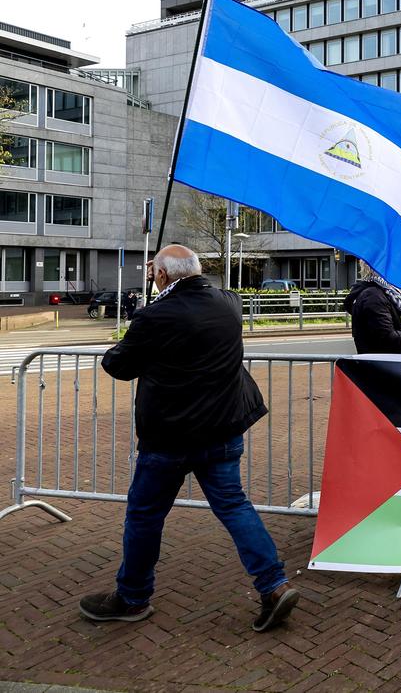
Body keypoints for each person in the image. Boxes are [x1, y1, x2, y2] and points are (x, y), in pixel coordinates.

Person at [80, 244, 299, 632]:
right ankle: (274, 585)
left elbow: (117, 364)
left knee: (145, 515)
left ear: (162, 275)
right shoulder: (229, 303)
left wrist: (151, 309)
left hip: (170, 437)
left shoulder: (155, 316)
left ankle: (132, 597)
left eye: (156, 274)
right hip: (222, 430)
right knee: (234, 506)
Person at [343, 262, 401, 354]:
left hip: (385, 360)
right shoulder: (374, 296)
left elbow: (379, 335)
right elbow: (388, 339)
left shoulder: (382, 293)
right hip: (383, 362)